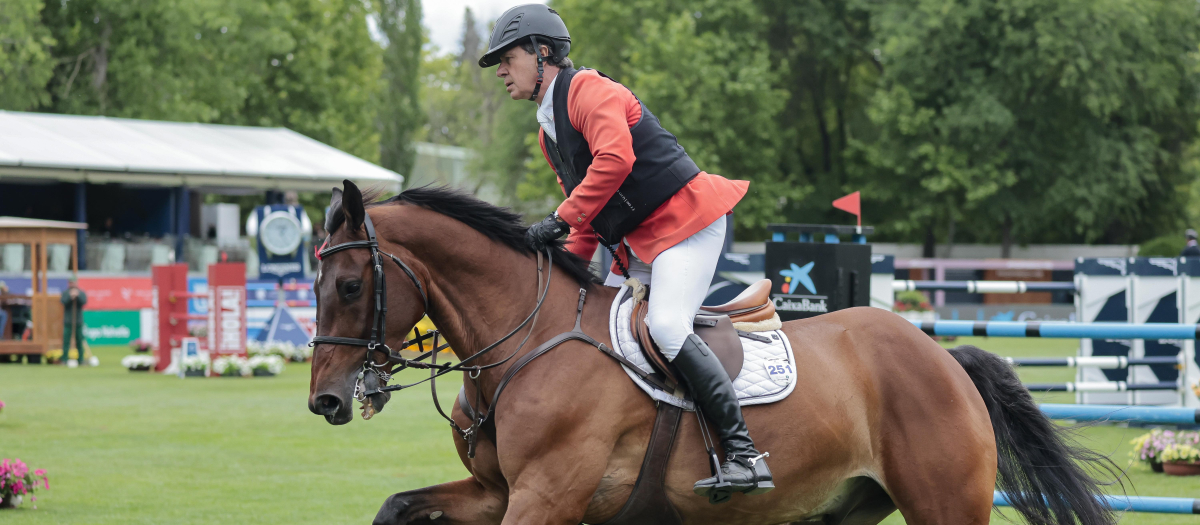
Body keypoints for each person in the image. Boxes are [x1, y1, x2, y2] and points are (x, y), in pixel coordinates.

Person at [480, 5, 772, 501]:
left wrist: (559, 218)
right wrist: (560, 273)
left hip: (687, 227)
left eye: (507, 59)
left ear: (541, 51)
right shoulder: (549, 130)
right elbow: (588, 218)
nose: (502, 72)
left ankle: (745, 454)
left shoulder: (589, 90)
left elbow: (616, 161)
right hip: (639, 246)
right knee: (589, 329)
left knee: (665, 326)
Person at [60, 278, 92, 367]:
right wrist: (71, 297)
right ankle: (64, 359)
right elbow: (63, 301)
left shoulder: (81, 293)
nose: (72, 284)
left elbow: (84, 301)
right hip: (68, 320)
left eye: (73, 282)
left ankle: (80, 359)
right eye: (70, 282)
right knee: (66, 341)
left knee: (79, 340)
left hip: (78, 320)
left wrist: (77, 296)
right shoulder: (66, 293)